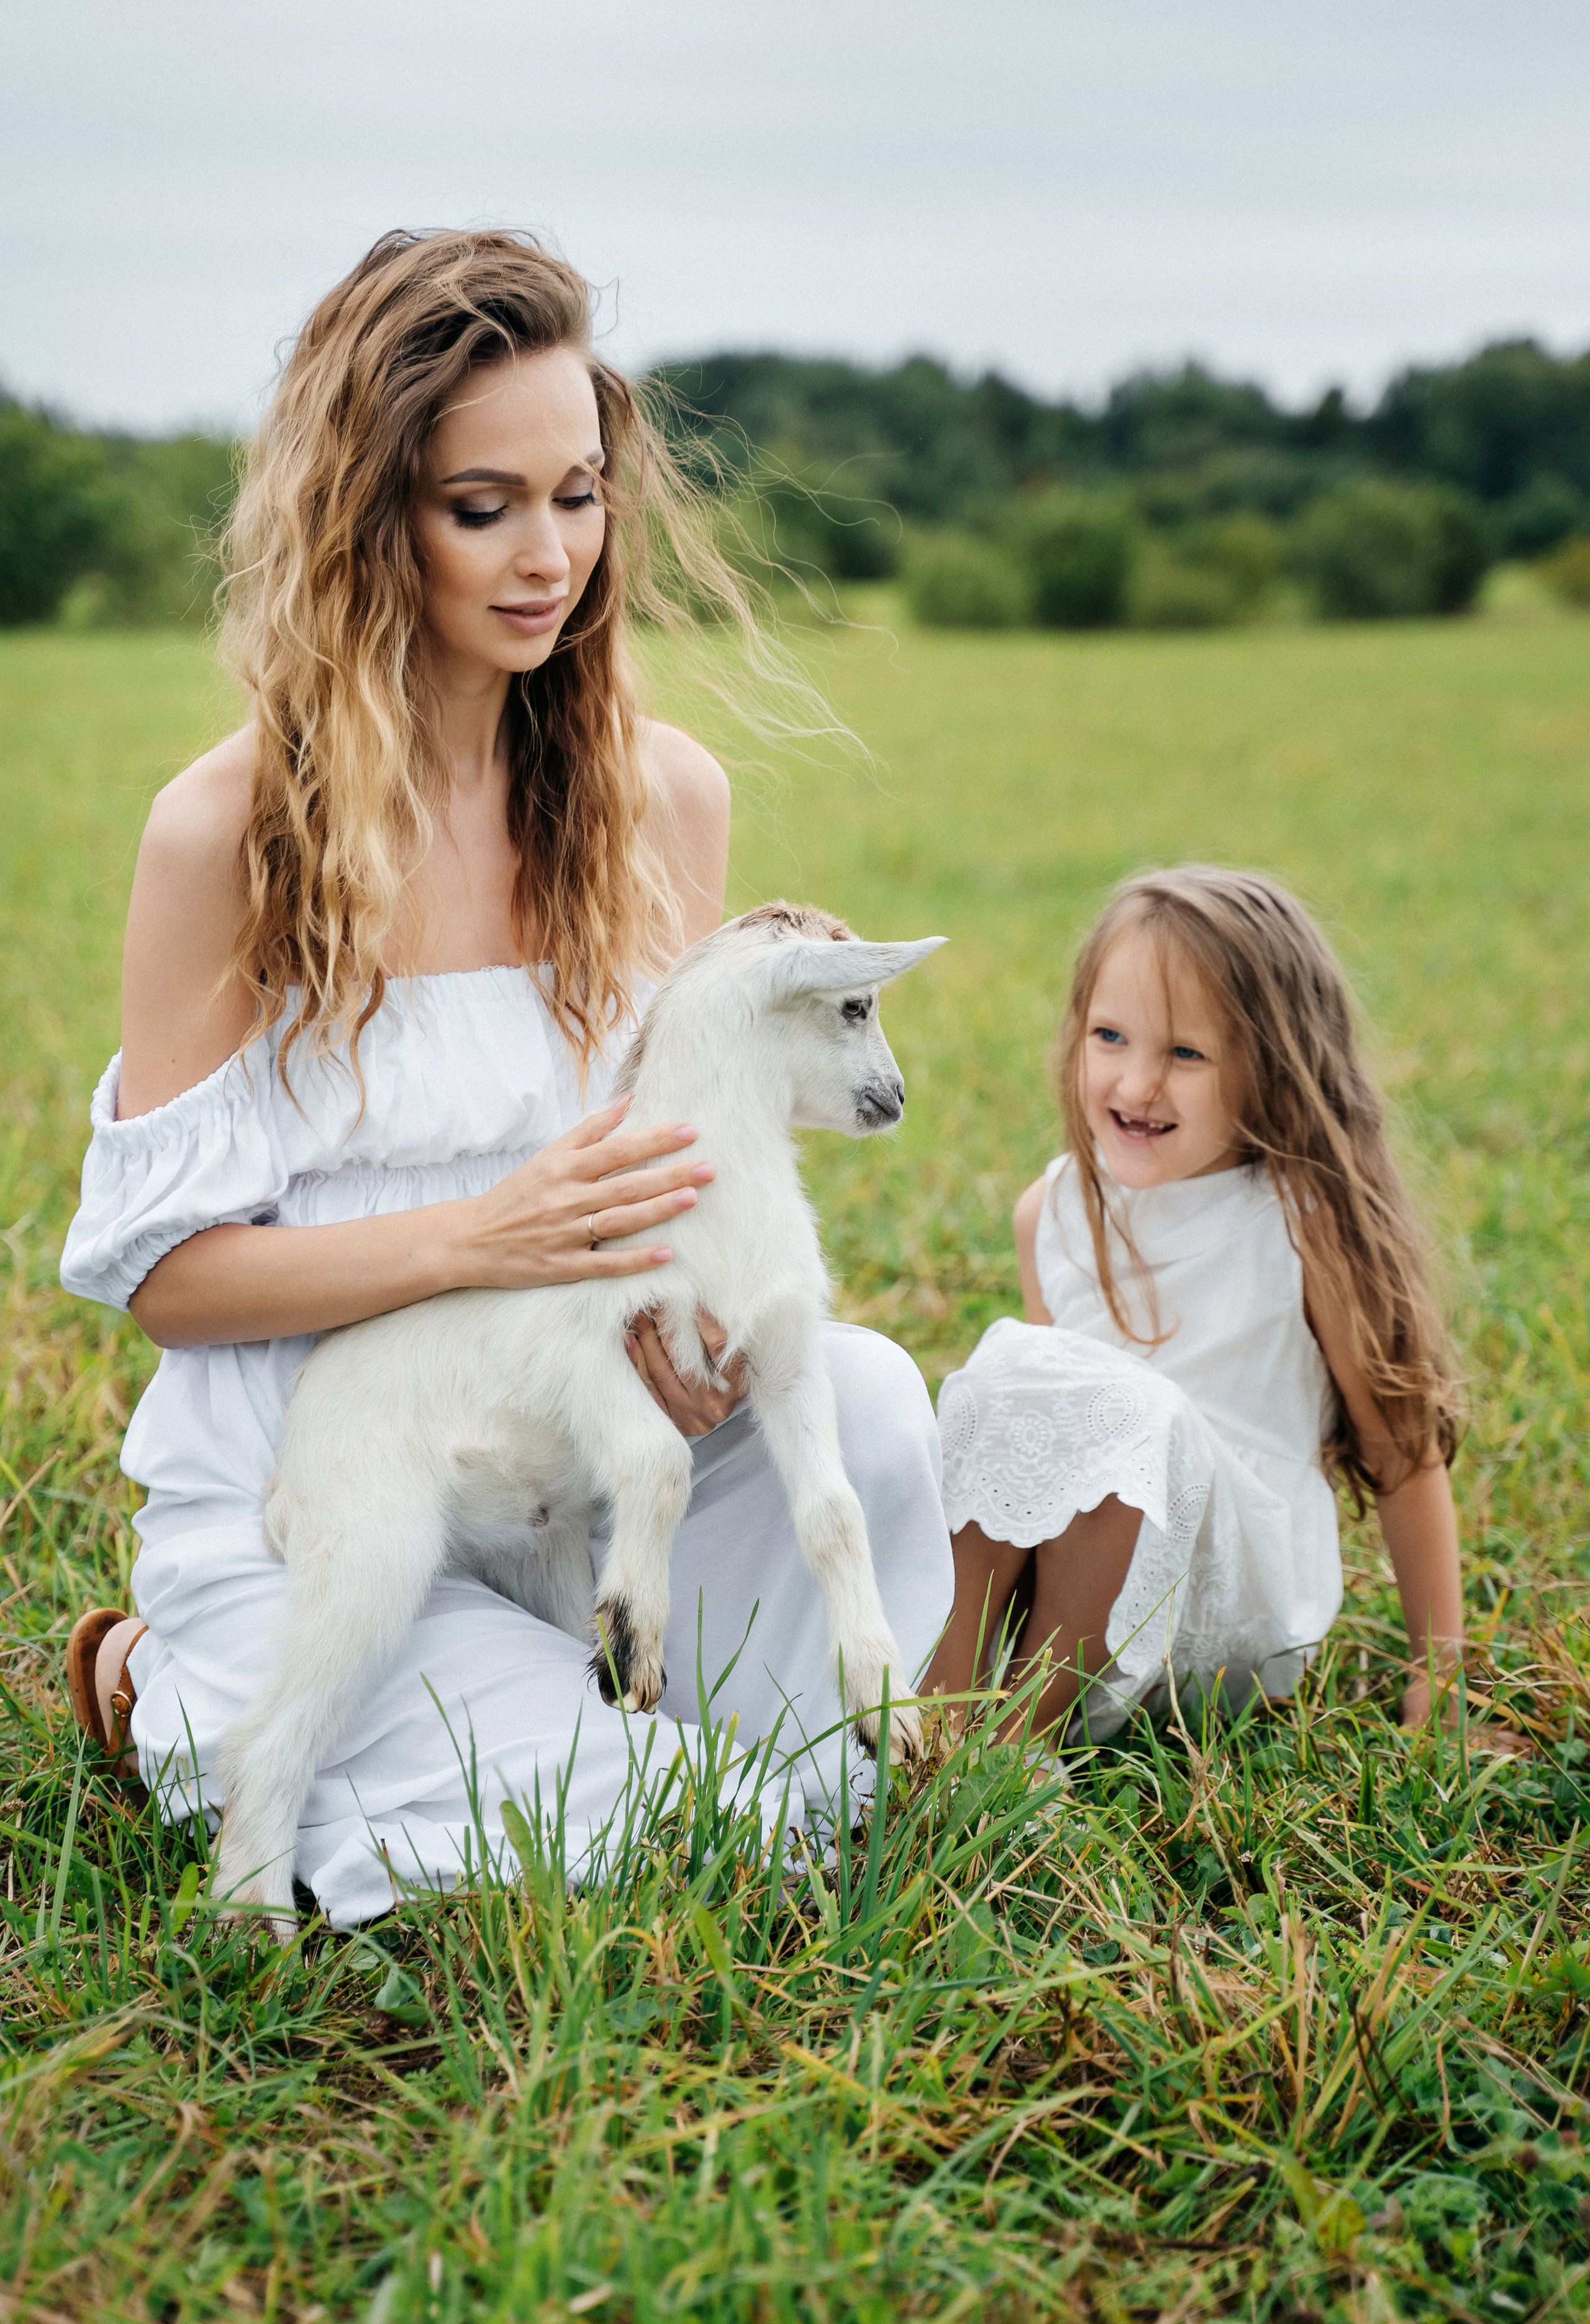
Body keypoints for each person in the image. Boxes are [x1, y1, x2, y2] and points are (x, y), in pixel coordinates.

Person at [58, 228, 952, 1929]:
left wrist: (674, 1320)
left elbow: (663, 1180)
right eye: (485, 507)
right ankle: (166, 1679)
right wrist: (486, 1237)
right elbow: (171, 1282)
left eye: (580, 495)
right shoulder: (226, 836)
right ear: (368, 516)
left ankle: (624, 1696)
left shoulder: (660, 798)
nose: (550, 557)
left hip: (583, 1444)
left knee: (877, 1414)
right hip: (345, 1474)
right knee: (659, 1850)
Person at [926, 865, 1476, 1746]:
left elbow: (1401, 1454)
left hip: (1231, 1603)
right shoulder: (1053, 1211)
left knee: (1113, 1404)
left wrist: (1437, 1671)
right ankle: (929, 1714)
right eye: (1110, 1036)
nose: (1137, 1085)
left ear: (1274, 1064)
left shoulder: (1301, 1224)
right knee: (1012, 1376)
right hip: (1088, 1572)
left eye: (1185, 1054)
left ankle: (1012, 1747)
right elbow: (1033, 1456)